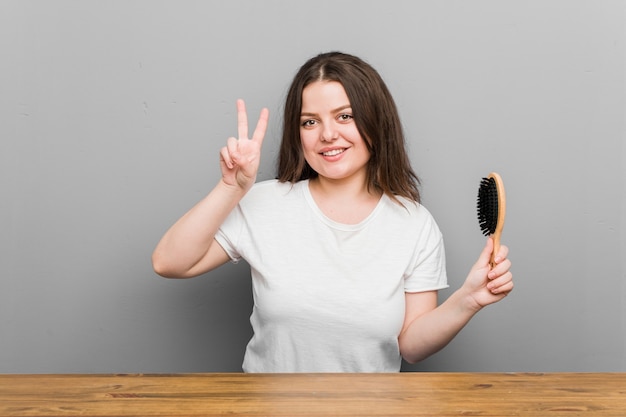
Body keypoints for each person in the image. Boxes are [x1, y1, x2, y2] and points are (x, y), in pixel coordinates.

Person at [152, 51, 513, 373]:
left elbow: (411, 346)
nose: (327, 134)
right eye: (310, 122)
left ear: (376, 122)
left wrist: (468, 300)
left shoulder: (414, 224)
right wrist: (231, 189)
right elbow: (169, 262)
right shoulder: (265, 203)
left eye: (345, 116)